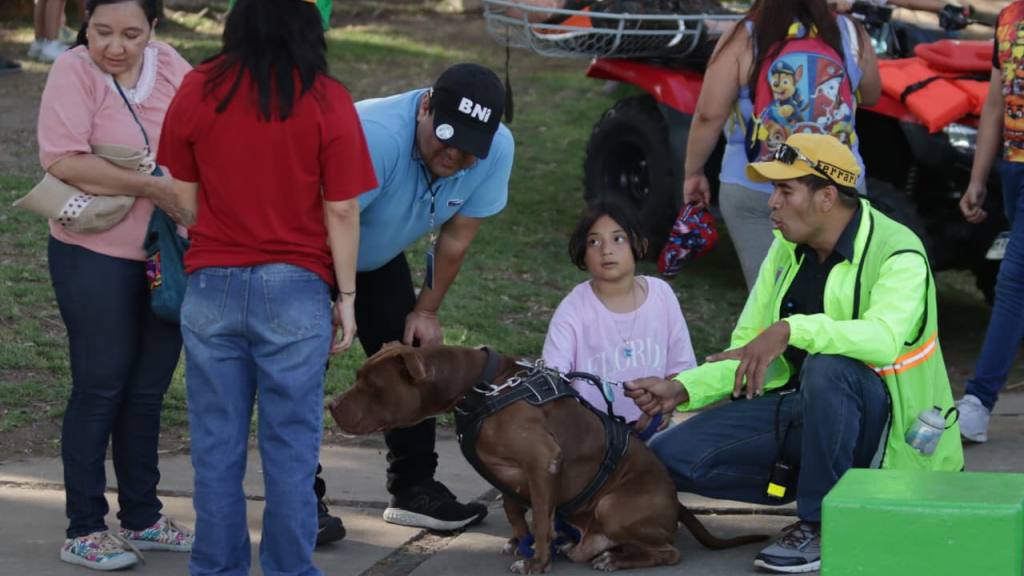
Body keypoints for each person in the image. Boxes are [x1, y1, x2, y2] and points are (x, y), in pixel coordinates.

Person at [627, 133, 964, 574]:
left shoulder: (899, 251)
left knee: (829, 368)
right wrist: (681, 388)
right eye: (774, 191)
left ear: (826, 197)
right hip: (804, 410)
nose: (772, 204)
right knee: (669, 456)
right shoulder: (786, 249)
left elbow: (883, 338)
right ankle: (817, 489)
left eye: (785, 190)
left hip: (889, 438)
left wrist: (791, 329)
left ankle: (820, 523)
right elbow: (749, 355)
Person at [157, 0, 376, 573]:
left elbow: (181, 195)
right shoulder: (327, 97)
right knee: (290, 451)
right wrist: (347, 298)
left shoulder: (198, 86)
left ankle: (216, 568)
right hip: (296, 288)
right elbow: (344, 208)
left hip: (211, 286)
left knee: (216, 448)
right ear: (309, 30)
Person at [314, 62, 514, 533]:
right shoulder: (375, 134)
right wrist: (324, 300)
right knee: (303, 366)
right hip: (310, 248)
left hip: (376, 255)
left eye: (470, 148)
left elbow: (456, 238)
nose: (456, 154)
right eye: (447, 135)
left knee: (414, 360)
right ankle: (301, 498)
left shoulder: (496, 150)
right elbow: (324, 220)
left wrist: (426, 308)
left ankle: (415, 487)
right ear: (425, 106)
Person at [36, 0, 194, 570]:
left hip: (164, 254)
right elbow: (64, 161)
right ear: (85, 24)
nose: (115, 46)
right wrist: (156, 187)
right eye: (102, 31)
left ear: (154, 28)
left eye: (131, 33)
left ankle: (143, 517)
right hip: (92, 253)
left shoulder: (173, 66)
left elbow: (206, 136)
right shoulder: (73, 71)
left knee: (148, 390)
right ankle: (83, 528)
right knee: (100, 385)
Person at [681, 0, 880, 290]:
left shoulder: (745, 35)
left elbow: (709, 114)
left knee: (770, 297)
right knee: (835, 296)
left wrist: (693, 172)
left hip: (757, 186)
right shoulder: (851, 32)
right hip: (836, 185)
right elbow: (872, 93)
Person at [542, 199, 696, 429]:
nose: (606, 250)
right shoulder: (574, 308)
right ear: (583, 254)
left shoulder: (661, 295)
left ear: (640, 246)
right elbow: (551, 378)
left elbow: (681, 369)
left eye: (618, 238)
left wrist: (665, 407)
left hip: (657, 425)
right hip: (593, 435)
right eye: (594, 242)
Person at [954, 0, 1024, 444]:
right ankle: (979, 402)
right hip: (1014, 169)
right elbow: (995, 103)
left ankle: (979, 401)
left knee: (1014, 282)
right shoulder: (1009, 17)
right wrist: (978, 177)